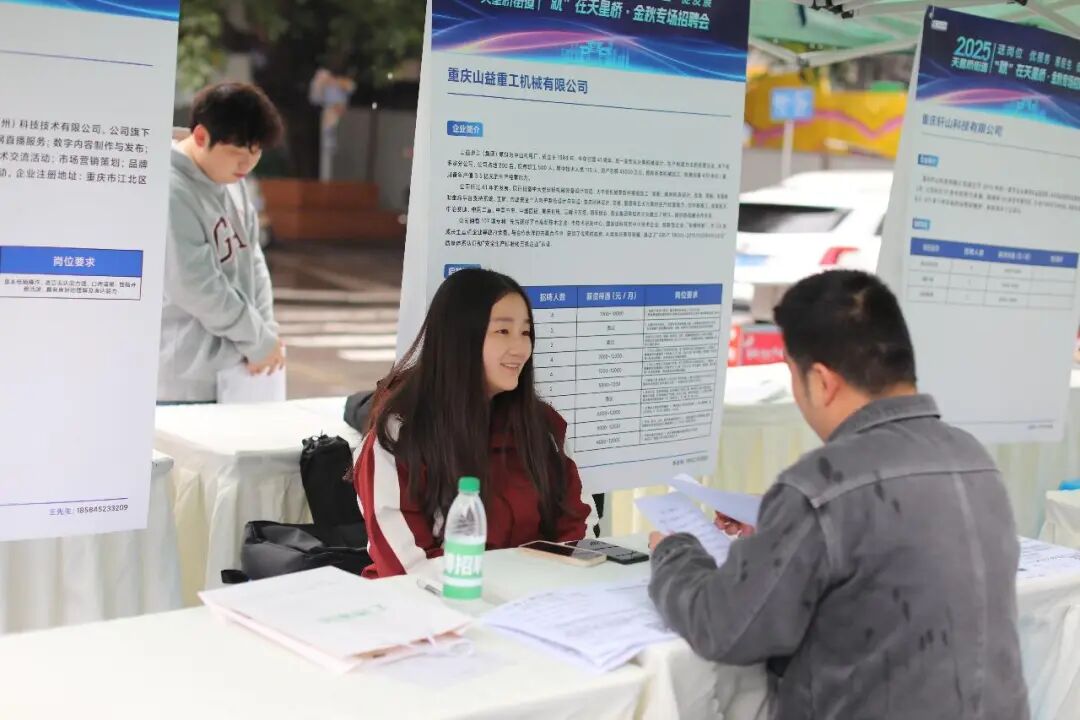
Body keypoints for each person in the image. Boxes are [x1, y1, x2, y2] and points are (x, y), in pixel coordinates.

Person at [649, 270, 1029, 719]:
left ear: (822, 381)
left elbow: (725, 627)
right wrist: (779, 529)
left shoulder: (820, 488)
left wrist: (675, 551)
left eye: (793, 376)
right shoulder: (973, 458)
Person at [353, 268, 593, 578]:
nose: (520, 348)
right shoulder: (401, 434)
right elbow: (406, 567)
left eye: (525, 332)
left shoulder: (542, 426)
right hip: (436, 601)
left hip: (538, 596)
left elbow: (577, 526)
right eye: (502, 331)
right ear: (459, 338)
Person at [158, 82, 286, 403]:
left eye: (255, 152)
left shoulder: (232, 180)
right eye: (236, 153)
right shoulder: (170, 190)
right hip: (186, 380)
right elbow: (195, 286)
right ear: (201, 136)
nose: (247, 165)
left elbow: (253, 258)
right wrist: (258, 340)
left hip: (241, 371)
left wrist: (265, 334)